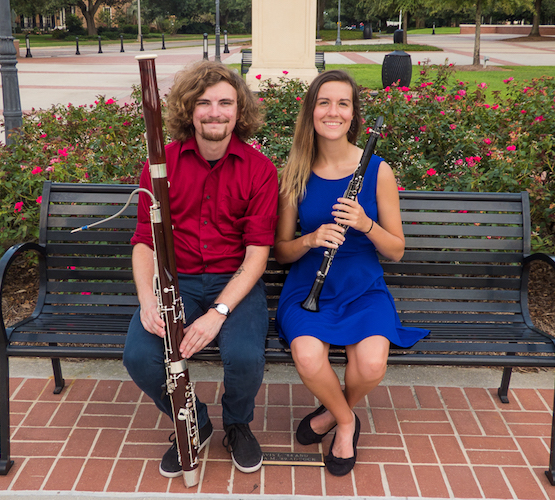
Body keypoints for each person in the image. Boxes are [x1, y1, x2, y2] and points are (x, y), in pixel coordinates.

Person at [123, 60, 279, 477]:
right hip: (179, 281)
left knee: (245, 357)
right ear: (189, 109)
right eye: (205, 102)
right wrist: (146, 300)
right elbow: (144, 242)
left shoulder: (260, 170)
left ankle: (236, 423)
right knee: (139, 356)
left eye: (226, 102)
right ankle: (194, 419)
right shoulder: (161, 164)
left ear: (239, 111)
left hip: (235, 284)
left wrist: (218, 313)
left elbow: (257, 255)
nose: (215, 111)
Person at [274, 70, 429, 476]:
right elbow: (282, 252)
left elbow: (396, 250)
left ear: (353, 114)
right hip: (310, 285)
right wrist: (310, 239)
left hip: (362, 286)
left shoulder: (378, 170)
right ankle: (345, 422)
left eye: (343, 103)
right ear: (311, 111)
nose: (333, 111)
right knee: (307, 357)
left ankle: (328, 413)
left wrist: (364, 223)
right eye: (324, 102)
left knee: (372, 365)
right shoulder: (294, 173)